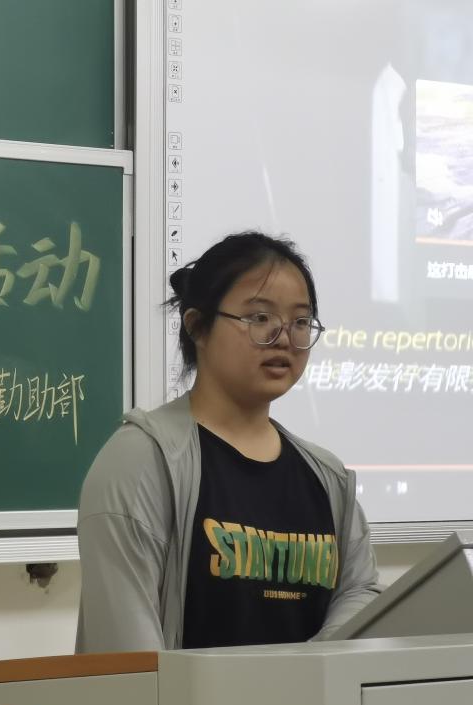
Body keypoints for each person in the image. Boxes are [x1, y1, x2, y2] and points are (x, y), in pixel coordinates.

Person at [76, 232, 380, 652]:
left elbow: (360, 593)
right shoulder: (144, 459)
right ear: (197, 326)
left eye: (300, 321)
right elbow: (129, 655)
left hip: (306, 696)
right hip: (182, 699)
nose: (284, 338)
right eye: (259, 318)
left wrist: (310, 667)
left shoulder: (328, 478)